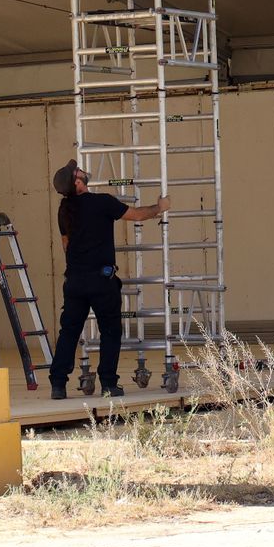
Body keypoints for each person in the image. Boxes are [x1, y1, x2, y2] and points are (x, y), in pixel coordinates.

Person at [48, 158, 171, 399]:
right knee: (111, 332)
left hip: (74, 281)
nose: (82, 170)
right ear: (78, 182)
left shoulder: (64, 210)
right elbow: (136, 215)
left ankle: (58, 385)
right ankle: (108, 383)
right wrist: (160, 207)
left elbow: (66, 244)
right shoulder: (101, 202)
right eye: (77, 171)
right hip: (101, 281)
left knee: (69, 332)